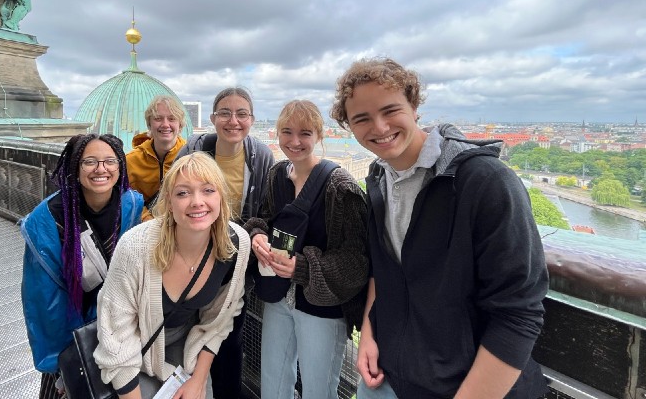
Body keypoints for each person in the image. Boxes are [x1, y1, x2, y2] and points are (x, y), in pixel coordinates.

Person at [330, 57, 549, 398]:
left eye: (390, 110)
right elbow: (384, 272)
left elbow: (518, 315)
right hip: (390, 375)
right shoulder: (378, 180)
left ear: (414, 106)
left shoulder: (485, 181)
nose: (380, 127)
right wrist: (370, 335)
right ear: (350, 127)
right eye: (362, 118)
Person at [93, 152, 251, 399]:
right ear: (168, 201)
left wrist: (198, 380)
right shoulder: (135, 247)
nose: (197, 202)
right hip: (131, 349)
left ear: (221, 196)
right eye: (183, 193)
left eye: (208, 190)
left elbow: (219, 320)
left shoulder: (236, 244)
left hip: (185, 348)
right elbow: (118, 335)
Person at [243, 100, 369, 399]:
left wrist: (302, 268)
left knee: (318, 390)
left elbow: (357, 261)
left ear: (319, 136)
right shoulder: (277, 175)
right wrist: (258, 235)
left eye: (305, 133)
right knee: (273, 383)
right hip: (278, 297)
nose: (295, 141)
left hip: (321, 307)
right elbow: (264, 218)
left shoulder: (341, 187)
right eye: (287, 132)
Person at [20, 133, 144, 398]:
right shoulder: (49, 220)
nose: (101, 169)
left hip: (120, 334)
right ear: (75, 169)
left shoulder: (131, 205)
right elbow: (43, 302)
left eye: (110, 161)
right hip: (73, 340)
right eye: (90, 162)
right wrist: (58, 364)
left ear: (120, 167)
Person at [177, 87, 274, 397]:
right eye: (225, 113)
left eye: (242, 114)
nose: (234, 120)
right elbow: (172, 196)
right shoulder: (193, 148)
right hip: (190, 259)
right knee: (185, 332)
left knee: (228, 337)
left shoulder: (261, 156)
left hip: (234, 265)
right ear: (213, 118)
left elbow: (265, 210)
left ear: (252, 119)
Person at [127, 95, 187, 221]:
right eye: (158, 119)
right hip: (144, 229)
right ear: (149, 124)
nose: (165, 124)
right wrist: (147, 220)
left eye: (171, 119)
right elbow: (125, 197)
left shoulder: (190, 157)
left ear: (180, 125)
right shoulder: (131, 161)